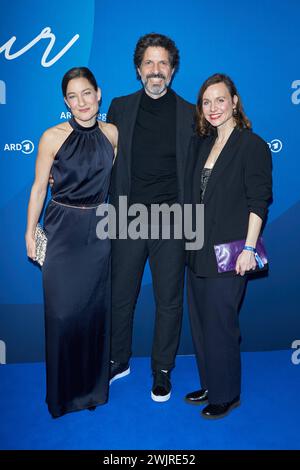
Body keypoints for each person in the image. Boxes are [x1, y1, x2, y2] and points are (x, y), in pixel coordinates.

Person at [25, 67, 118, 418]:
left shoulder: (112, 134)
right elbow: (38, 188)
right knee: (63, 315)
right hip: (61, 229)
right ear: (66, 102)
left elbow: (117, 180)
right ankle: (63, 396)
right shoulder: (52, 136)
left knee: (93, 313)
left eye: (87, 93)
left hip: (98, 230)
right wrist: (30, 231)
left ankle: (91, 392)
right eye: (73, 96)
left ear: (98, 94)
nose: (81, 102)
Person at [107, 33, 195, 402]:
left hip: (174, 218)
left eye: (162, 64)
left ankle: (162, 369)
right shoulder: (119, 107)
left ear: (172, 70)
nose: (155, 70)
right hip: (126, 216)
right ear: (138, 69)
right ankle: (117, 359)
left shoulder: (191, 114)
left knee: (170, 300)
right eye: (149, 63)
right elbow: (101, 158)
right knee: (120, 296)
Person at [184, 73, 272, 419]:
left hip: (232, 252)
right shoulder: (202, 144)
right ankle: (211, 384)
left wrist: (249, 250)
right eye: (206, 102)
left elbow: (258, 201)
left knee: (221, 324)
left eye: (220, 100)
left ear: (234, 101)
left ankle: (227, 393)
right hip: (197, 249)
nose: (213, 108)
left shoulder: (252, 145)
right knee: (202, 323)